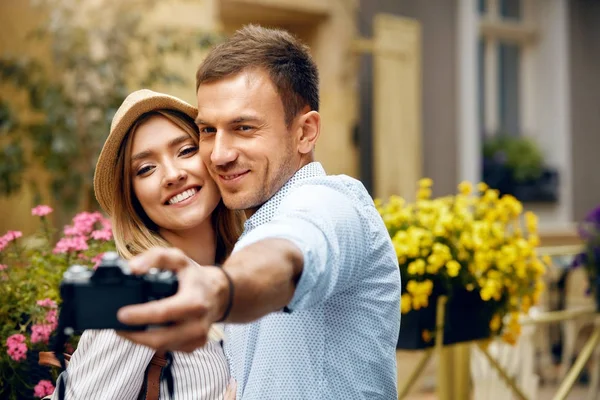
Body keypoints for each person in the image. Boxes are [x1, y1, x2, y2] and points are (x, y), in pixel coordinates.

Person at [118, 25, 402, 399]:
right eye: (207, 130)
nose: (219, 154)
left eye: (244, 128)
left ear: (305, 132)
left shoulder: (332, 203)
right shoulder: (245, 237)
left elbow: (289, 253)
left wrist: (218, 290)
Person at [51, 89, 242, 399]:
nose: (172, 174)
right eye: (145, 169)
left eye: (185, 150)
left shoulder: (246, 267)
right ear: (133, 197)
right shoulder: (135, 293)